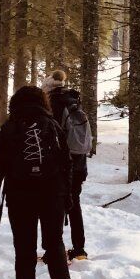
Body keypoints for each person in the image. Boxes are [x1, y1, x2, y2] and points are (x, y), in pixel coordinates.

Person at [0, 85, 76, 279]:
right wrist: (67, 196)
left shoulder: (11, 127)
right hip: (53, 193)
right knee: (54, 241)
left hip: (20, 196)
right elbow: (66, 162)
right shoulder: (52, 125)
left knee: (24, 253)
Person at [43, 69, 92, 262]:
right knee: (74, 204)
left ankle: (53, 251)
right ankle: (79, 250)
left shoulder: (53, 104)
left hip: (60, 165)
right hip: (79, 163)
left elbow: (50, 136)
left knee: (53, 207)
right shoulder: (74, 102)